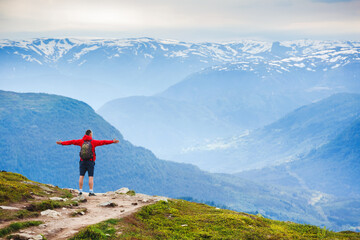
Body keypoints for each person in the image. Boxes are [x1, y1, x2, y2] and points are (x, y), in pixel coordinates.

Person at [56, 129, 119, 196]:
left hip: (82, 161)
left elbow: (72, 142)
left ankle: (80, 191)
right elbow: (103, 142)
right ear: (90, 134)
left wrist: (62, 143)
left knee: (81, 176)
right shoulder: (93, 142)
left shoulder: (81, 141)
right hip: (90, 161)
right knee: (90, 177)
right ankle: (91, 192)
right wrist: (112, 141)